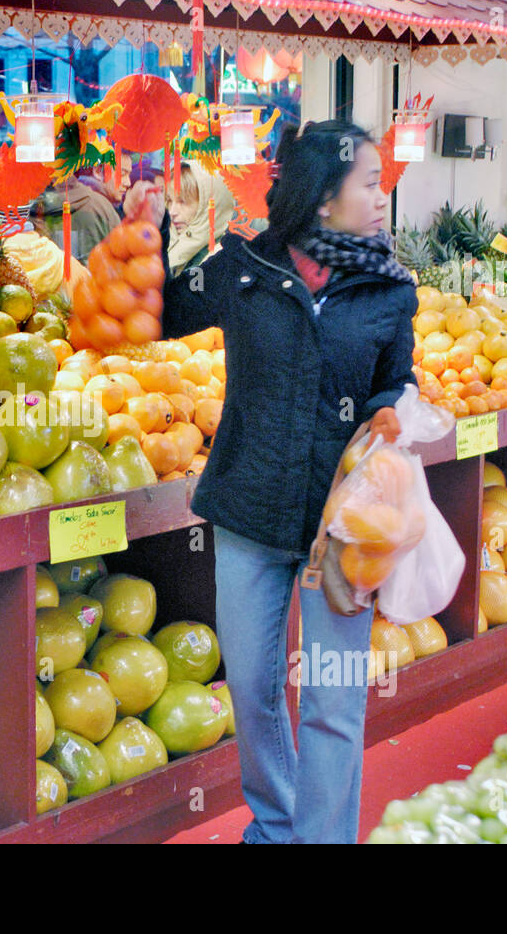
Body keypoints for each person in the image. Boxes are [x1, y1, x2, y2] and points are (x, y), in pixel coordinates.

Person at [124, 119, 416, 844]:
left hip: (342, 526)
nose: (382, 199)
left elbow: (395, 380)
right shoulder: (243, 270)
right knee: (253, 691)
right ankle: (279, 822)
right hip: (250, 510)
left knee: (332, 700)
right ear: (322, 198)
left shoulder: (387, 291)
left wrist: (388, 414)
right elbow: (162, 312)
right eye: (370, 184)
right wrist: (151, 227)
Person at [165, 160, 236, 276]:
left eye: (183, 201)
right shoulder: (165, 242)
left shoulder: (221, 260)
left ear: (208, 205)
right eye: (169, 200)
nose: (172, 211)